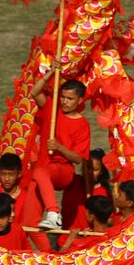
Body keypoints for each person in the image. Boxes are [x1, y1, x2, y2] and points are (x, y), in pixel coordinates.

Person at [28, 70, 92, 230]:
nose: (64, 101)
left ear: (80, 100)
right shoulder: (52, 108)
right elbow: (35, 92)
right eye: (63, 97)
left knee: (40, 171)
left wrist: (59, 147)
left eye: (69, 99)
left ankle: (53, 213)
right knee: (29, 224)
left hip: (63, 172)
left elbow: (78, 158)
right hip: (42, 172)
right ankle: (49, 253)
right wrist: (50, 73)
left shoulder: (83, 124)